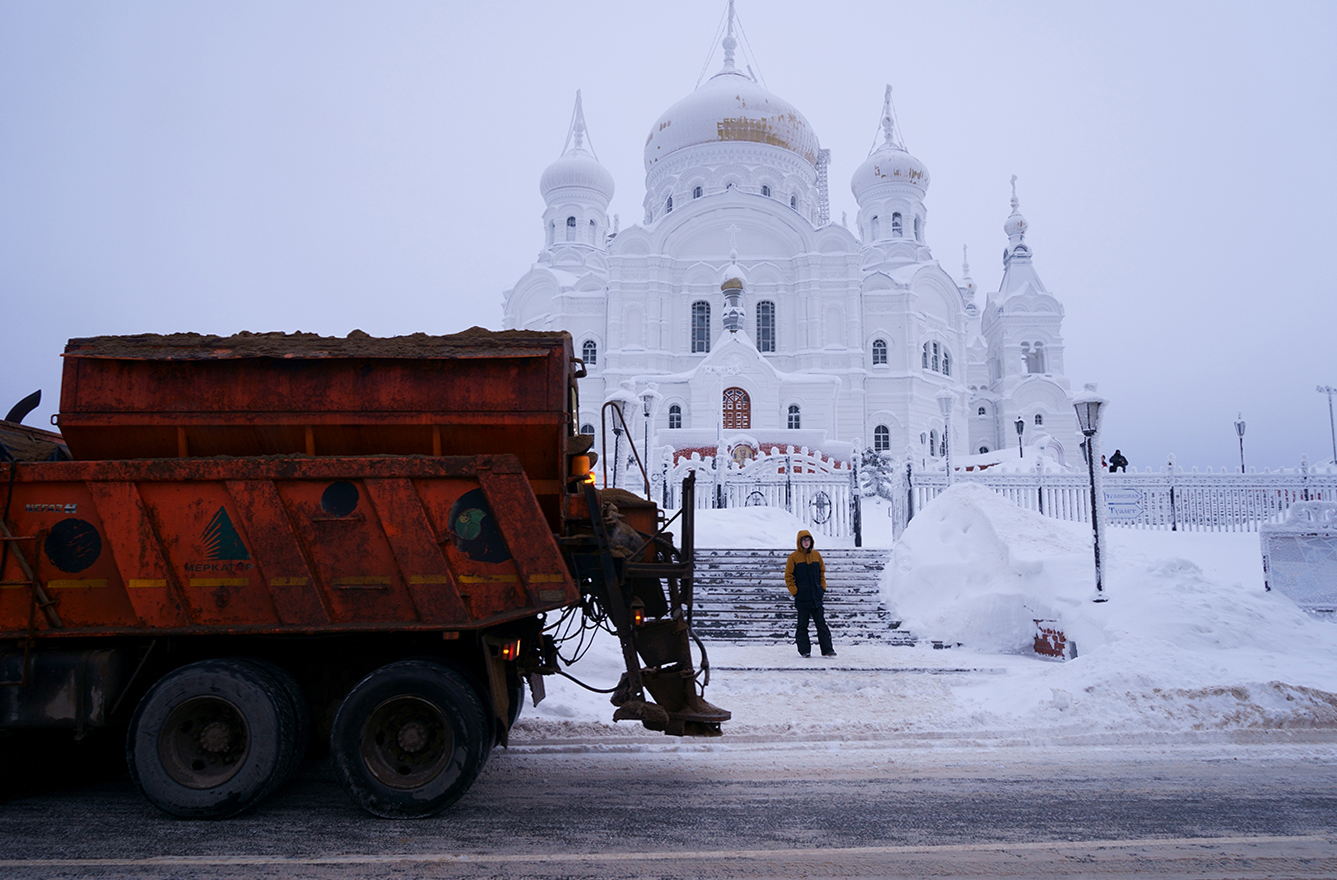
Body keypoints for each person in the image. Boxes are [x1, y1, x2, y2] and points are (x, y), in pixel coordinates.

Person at [784, 530, 835, 658]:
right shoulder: (793, 557)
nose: (806, 543)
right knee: (802, 625)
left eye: (808, 540)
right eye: (804, 540)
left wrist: (822, 588)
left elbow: (821, 573)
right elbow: (788, 576)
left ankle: (827, 649)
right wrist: (795, 591)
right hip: (802, 598)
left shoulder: (817, 555)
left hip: (816, 597)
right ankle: (804, 650)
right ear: (799, 542)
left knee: (821, 624)